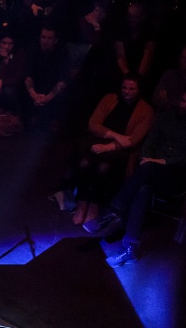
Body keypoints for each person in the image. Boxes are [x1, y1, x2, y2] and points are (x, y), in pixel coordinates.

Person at [83, 91, 186, 267]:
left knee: (145, 171)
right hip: (151, 170)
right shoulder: (166, 117)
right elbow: (150, 142)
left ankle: (113, 211)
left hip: (175, 175)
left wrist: (159, 161)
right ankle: (130, 249)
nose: (184, 105)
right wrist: (147, 157)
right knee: (142, 189)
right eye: (184, 100)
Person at [65, 75, 154, 226]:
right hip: (99, 141)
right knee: (84, 163)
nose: (127, 91)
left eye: (132, 89)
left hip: (120, 150)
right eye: (124, 87)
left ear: (139, 90)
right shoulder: (109, 99)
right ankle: (82, 202)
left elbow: (133, 141)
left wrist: (108, 146)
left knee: (103, 167)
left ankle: (94, 205)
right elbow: (93, 124)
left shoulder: (146, 110)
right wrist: (116, 135)